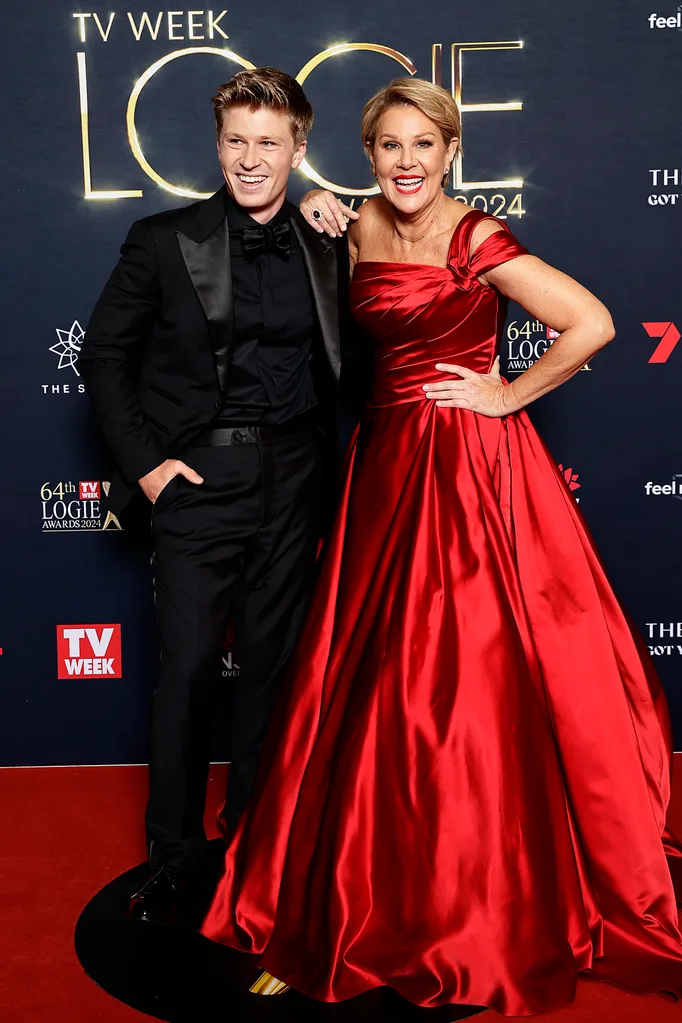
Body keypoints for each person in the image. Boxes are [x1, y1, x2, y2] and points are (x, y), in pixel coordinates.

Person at [200, 77, 682, 1014]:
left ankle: (464, 894)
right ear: (370, 154)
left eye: (424, 144)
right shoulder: (358, 226)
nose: (408, 161)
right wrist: (313, 207)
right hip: (383, 463)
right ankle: (348, 886)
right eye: (389, 146)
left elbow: (592, 323)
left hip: (466, 471)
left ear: (452, 151)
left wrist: (503, 394)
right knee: (369, 673)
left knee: (453, 680)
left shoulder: (477, 237)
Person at [78, 67, 354, 926]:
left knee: (270, 674)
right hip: (200, 481)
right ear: (218, 143)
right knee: (191, 672)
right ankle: (172, 854)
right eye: (236, 140)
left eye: (269, 143)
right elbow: (103, 357)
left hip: (300, 476)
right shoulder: (164, 238)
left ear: (300, 148)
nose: (250, 157)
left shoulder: (328, 237)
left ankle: (252, 843)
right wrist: (151, 467)